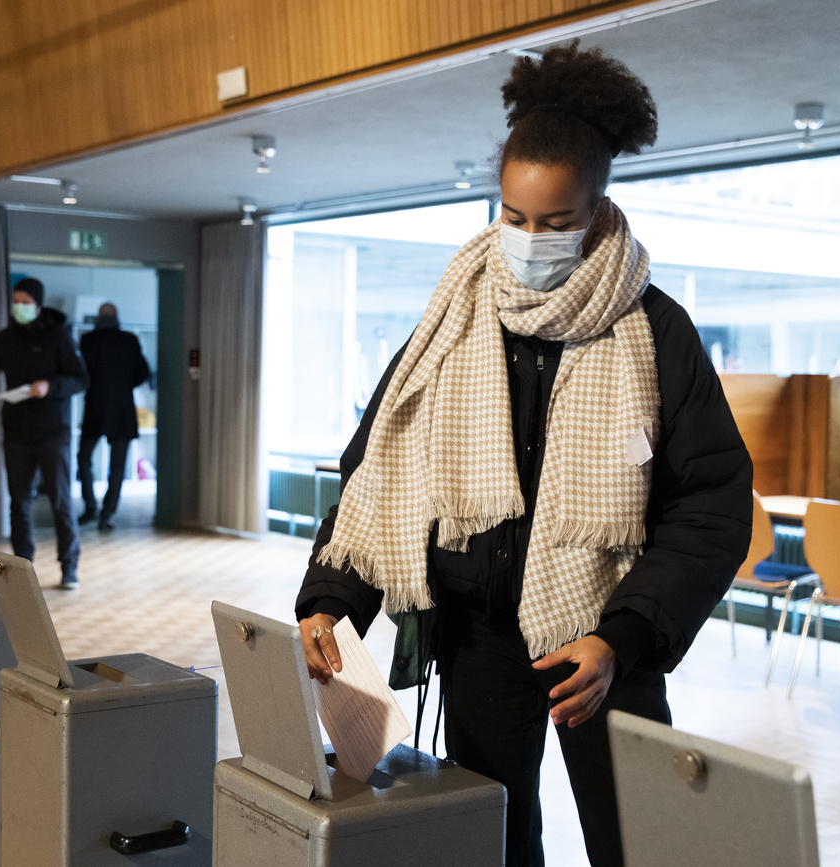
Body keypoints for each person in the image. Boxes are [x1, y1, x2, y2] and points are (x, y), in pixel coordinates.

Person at [295, 42, 752, 867]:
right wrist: (330, 597)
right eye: (513, 217)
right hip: (478, 641)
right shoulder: (451, 320)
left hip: (602, 643)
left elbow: (711, 505)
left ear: (600, 207)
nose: (530, 239)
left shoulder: (654, 332)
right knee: (491, 840)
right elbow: (383, 471)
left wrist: (622, 636)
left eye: (557, 221)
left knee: (638, 841)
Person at [0, 277, 89, 589]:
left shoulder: (58, 335)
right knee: (19, 502)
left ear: (38, 304)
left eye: (25, 302)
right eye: (16, 301)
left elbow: (80, 379)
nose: (19, 307)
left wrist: (51, 387)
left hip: (53, 431)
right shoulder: (7, 338)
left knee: (61, 501)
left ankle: (69, 567)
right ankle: (23, 569)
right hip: (16, 431)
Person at [76, 302, 150, 531]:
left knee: (84, 458)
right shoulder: (129, 340)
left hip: (95, 407)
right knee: (117, 466)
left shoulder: (88, 340)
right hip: (122, 409)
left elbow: (80, 374)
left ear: (99, 317)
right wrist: (124, 387)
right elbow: (143, 372)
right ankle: (107, 513)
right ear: (117, 316)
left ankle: (90, 506)